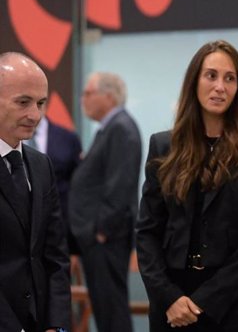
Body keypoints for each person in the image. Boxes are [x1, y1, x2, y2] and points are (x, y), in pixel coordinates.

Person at [136, 40, 238, 330]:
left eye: (230, 78)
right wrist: (169, 298)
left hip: (234, 304)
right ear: (194, 82)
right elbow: (148, 232)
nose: (220, 86)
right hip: (172, 304)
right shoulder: (163, 145)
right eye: (211, 75)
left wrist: (205, 301)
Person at [0, 52, 70, 332]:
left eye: (40, 103)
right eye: (23, 102)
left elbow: (55, 255)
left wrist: (57, 324)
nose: (35, 115)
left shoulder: (41, 165)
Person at [69, 72, 142, 332]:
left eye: (88, 93)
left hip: (106, 239)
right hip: (99, 239)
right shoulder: (110, 128)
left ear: (109, 97)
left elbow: (119, 186)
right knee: (104, 309)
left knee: (111, 311)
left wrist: (101, 231)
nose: (83, 99)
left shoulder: (121, 128)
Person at [25, 116, 82, 254]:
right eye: (23, 102)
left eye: (39, 103)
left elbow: (77, 188)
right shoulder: (6, 138)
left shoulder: (68, 138)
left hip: (58, 231)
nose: (33, 111)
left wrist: (75, 246)